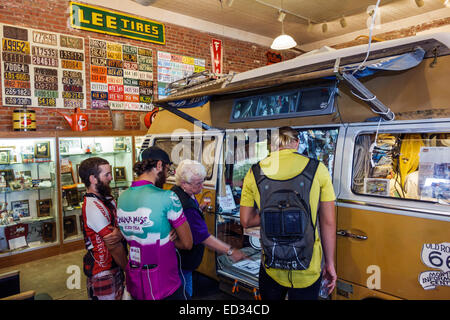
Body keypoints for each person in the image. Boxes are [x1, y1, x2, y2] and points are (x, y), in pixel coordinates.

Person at [240, 126, 337, 300]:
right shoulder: (317, 169)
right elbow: (328, 222)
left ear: (272, 145)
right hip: (308, 266)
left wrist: (276, 218)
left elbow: (246, 220)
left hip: (271, 264)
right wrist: (329, 264)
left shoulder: (254, 172)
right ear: (297, 143)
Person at [116, 146, 193, 300]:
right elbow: (187, 244)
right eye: (167, 169)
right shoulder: (168, 197)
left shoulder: (122, 197)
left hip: (136, 281)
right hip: (165, 283)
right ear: (159, 166)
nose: (167, 174)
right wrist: (172, 236)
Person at [170, 159, 247, 298]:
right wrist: (230, 251)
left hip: (178, 258)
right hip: (184, 261)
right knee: (185, 293)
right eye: (198, 183)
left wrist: (198, 209)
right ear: (184, 183)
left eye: (203, 181)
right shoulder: (186, 206)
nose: (202, 186)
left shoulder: (177, 192)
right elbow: (203, 237)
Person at [78, 157, 128, 300]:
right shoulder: (92, 206)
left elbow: (120, 229)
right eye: (106, 174)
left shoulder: (108, 198)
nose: (111, 177)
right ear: (93, 179)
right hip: (102, 272)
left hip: (116, 265)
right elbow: (113, 243)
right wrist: (128, 270)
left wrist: (119, 232)